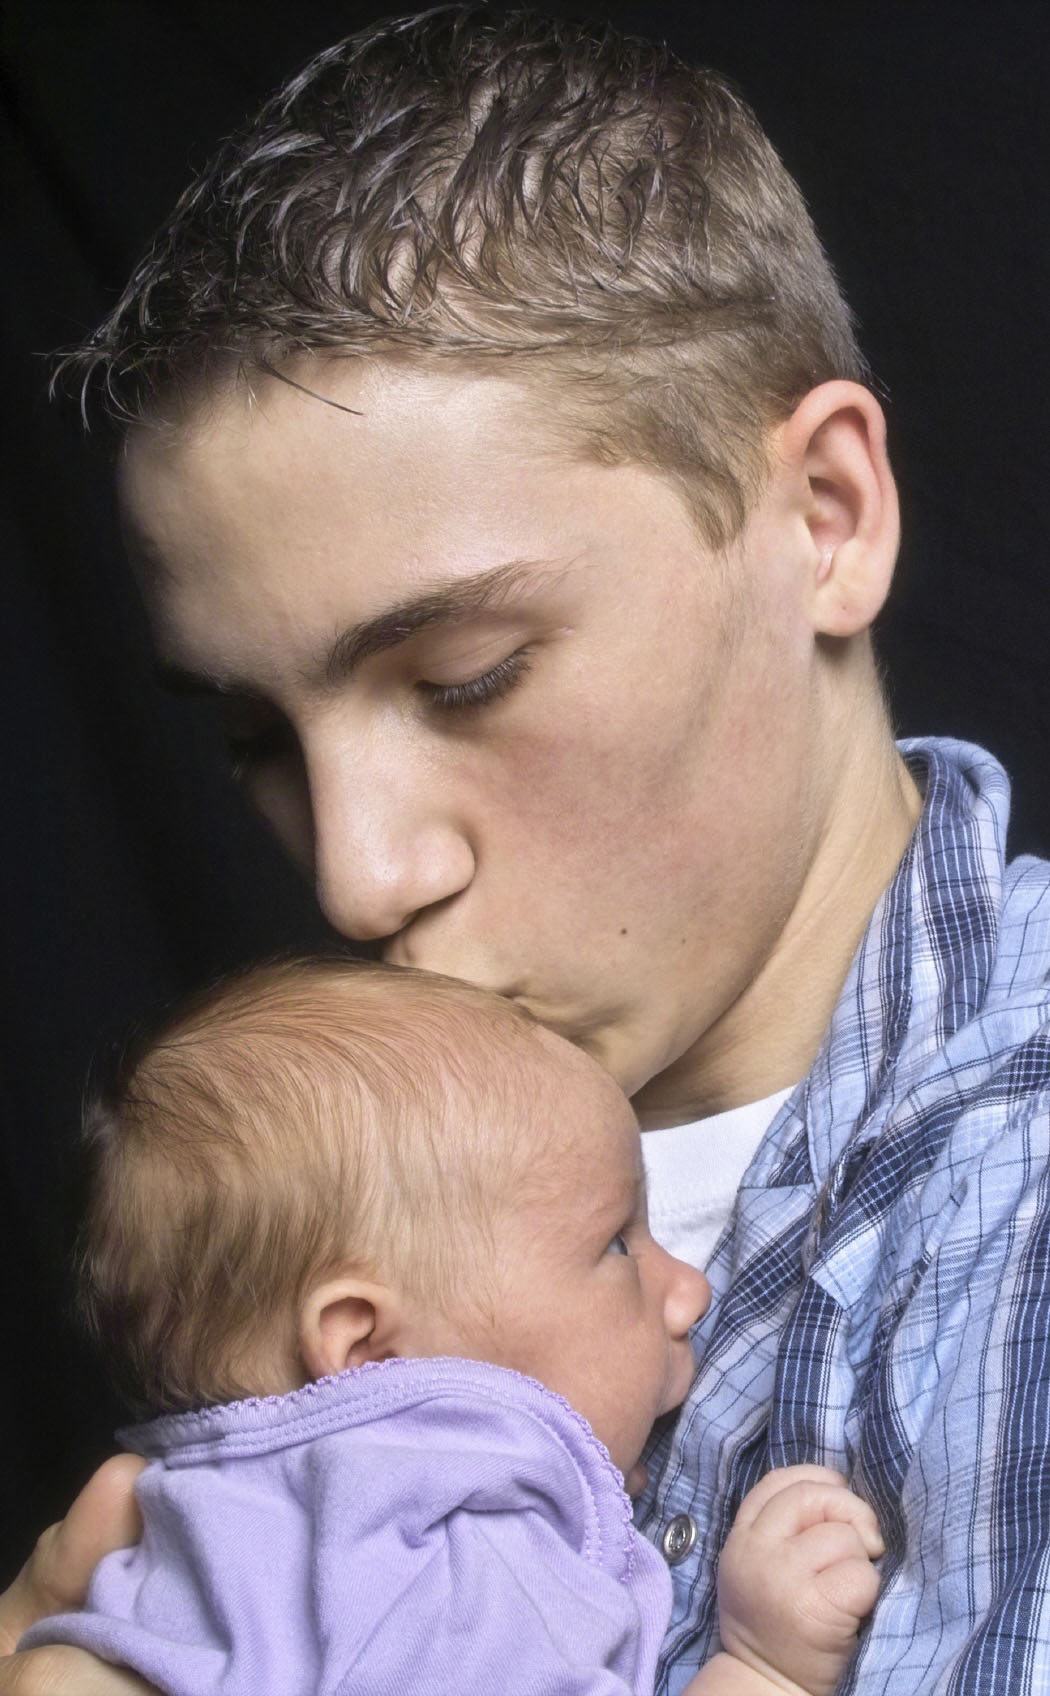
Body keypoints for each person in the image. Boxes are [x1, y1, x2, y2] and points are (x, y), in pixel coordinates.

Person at [2, 5, 1049, 1693]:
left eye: (465, 676)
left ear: (827, 519)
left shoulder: (1013, 1199)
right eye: (255, 741)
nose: (355, 877)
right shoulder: (315, 1190)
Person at [21, 955, 882, 1696]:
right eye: (617, 1244)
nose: (688, 1289)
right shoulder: (446, 1559)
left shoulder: (196, 1530)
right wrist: (763, 1669)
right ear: (367, 1351)